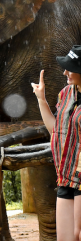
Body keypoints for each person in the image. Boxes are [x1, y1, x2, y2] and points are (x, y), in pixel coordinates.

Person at [32, 45, 81, 241]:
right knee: (65, 238)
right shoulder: (66, 94)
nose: (65, 72)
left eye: (70, 68)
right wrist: (41, 100)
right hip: (66, 175)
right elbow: (56, 131)